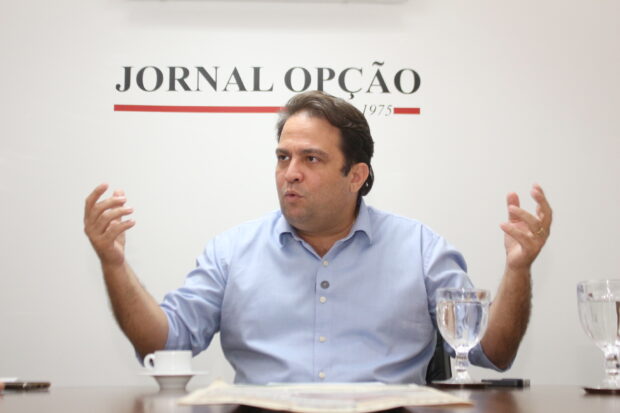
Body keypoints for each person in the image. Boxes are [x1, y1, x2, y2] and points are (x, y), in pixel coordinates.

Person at [84, 91, 552, 384]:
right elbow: (165, 346)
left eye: (311, 159)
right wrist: (113, 264)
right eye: (282, 157)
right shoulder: (231, 252)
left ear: (356, 175)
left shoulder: (421, 250)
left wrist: (518, 268)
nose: (290, 173)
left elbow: (491, 353)